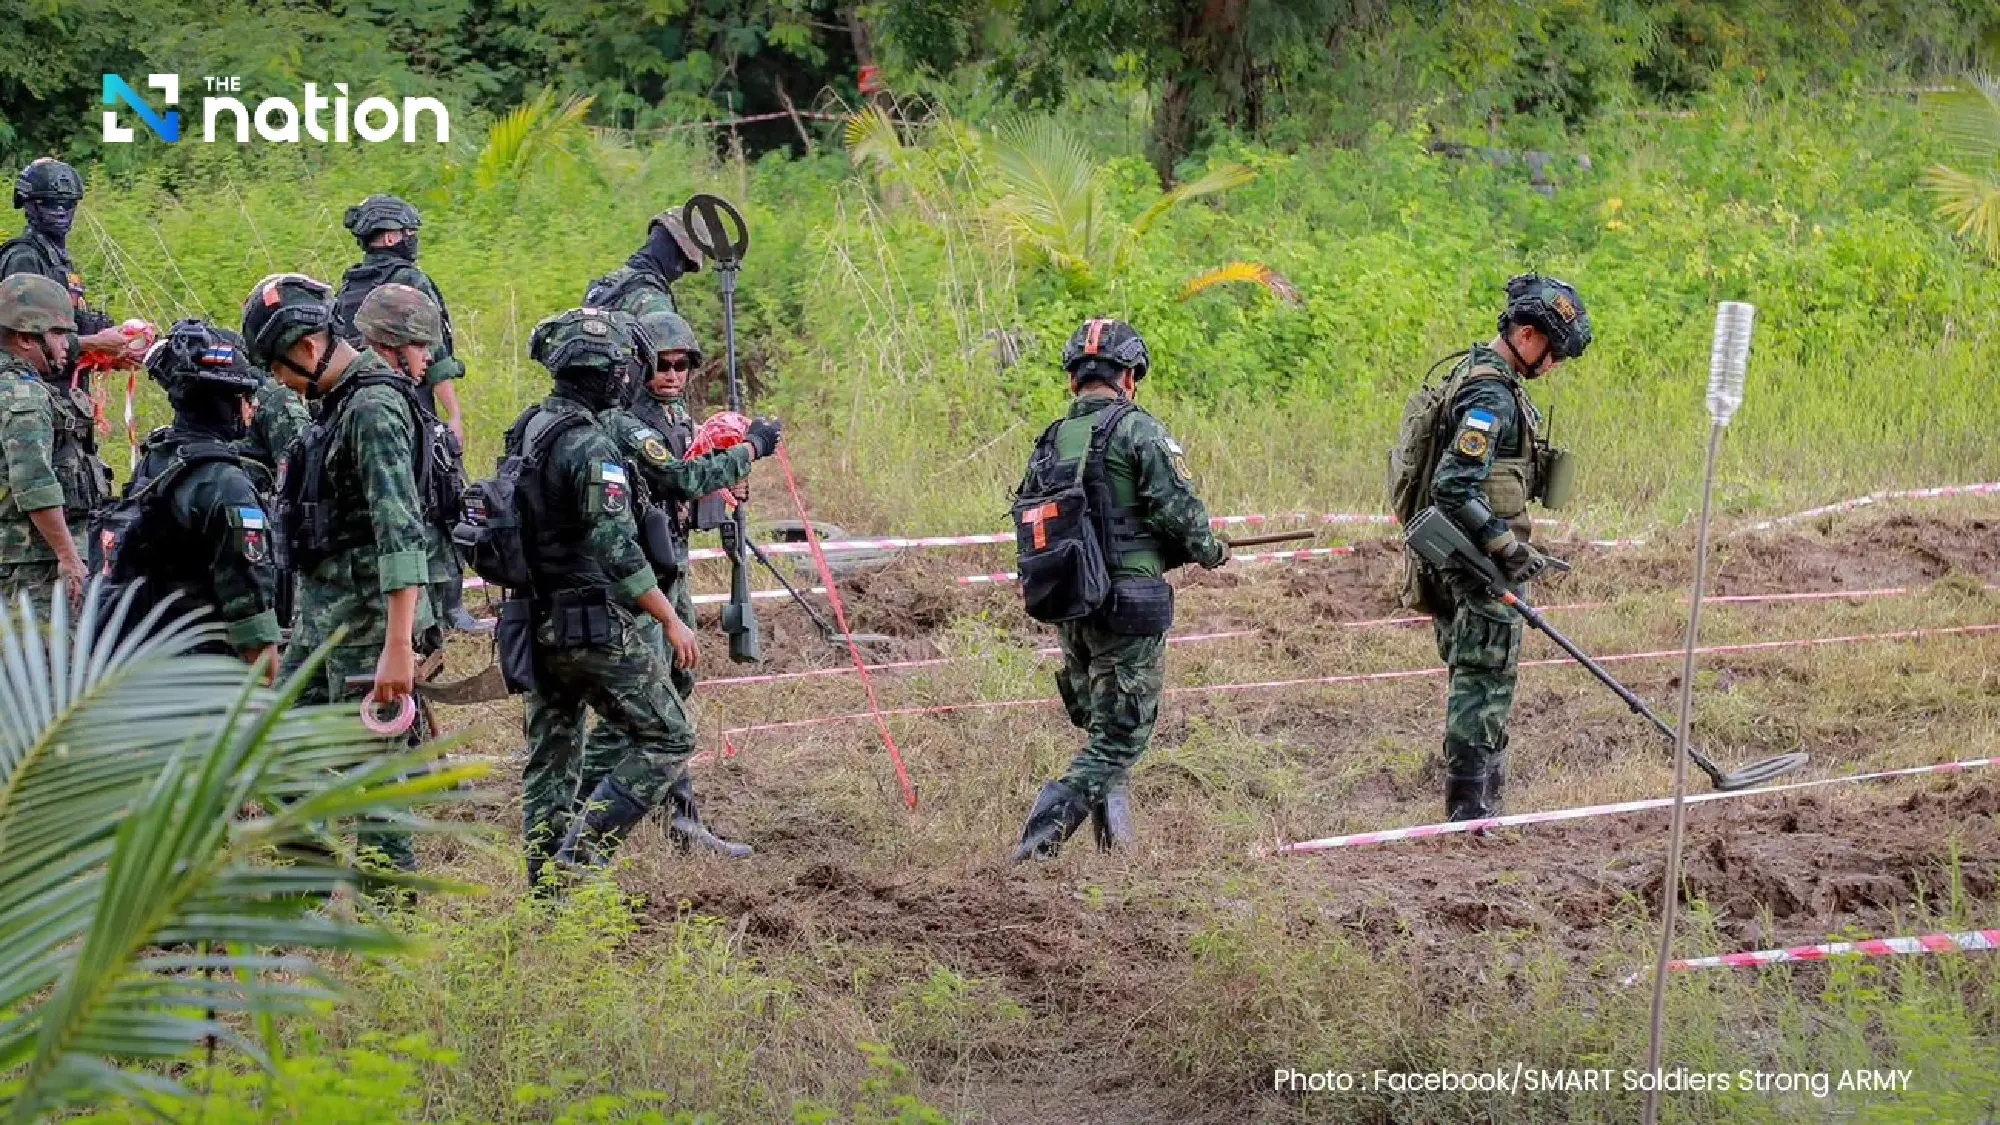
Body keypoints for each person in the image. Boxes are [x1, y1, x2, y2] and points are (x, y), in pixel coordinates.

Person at [513, 308, 769, 886]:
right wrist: (670, 621)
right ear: (610, 375)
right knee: (668, 734)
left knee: (553, 758)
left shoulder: (532, 425)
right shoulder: (592, 445)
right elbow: (616, 547)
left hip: (534, 617)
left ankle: (544, 889)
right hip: (593, 622)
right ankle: (577, 864)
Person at [242, 272, 445, 872]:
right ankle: (304, 889)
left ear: (306, 349)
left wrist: (398, 647)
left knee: (379, 786)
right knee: (277, 749)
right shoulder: (339, 403)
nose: (277, 381)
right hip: (323, 619)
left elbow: (400, 532)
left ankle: (391, 927)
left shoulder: (375, 409)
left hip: (369, 627)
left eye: (279, 366)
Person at [1012, 318, 1228, 863]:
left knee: (1101, 725)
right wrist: (1211, 549)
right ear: (1129, 377)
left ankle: (1116, 849)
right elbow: (1182, 517)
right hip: (1128, 606)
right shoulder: (1139, 431)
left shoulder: (1052, 439)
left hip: (1071, 602)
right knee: (1121, 735)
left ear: (1074, 382)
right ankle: (1038, 844)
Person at [590, 310, 773, 858]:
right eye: (660, 365)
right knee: (642, 703)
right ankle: (586, 815)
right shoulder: (631, 423)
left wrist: (723, 490)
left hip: (673, 570)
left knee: (679, 685)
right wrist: (750, 449)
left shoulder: (678, 416)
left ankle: (677, 819)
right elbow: (674, 476)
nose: (671, 375)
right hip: (637, 581)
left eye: (682, 365)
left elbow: (687, 492)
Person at [1415, 274, 1591, 822]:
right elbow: (1453, 483)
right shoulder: (1490, 395)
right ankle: (1470, 812)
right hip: (1476, 560)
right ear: (1530, 335)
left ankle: (1483, 800)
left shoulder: (1484, 378)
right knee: (1483, 679)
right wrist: (1502, 545)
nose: (1555, 364)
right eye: (1555, 352)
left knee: (1483, 674)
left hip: (1470, 557)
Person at [331, 195, 481, 633]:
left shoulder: (348, 287)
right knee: (439, 498)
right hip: (411, 409)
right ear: (395, 236)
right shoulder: (412, 282)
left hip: (358, 411)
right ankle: (447, 605)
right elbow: (436, 356)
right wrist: (453, 416)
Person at [102, 320, 280, 667]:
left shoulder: (158, 457)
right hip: (202, 665)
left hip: (146, 649)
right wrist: (263, 656)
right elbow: (246, 583)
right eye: (245, 397)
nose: (252, 407)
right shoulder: (225, 483)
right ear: (224, 403)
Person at [351, 283, 482, 637]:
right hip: (381, 595)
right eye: (420, 346)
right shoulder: (378, 405)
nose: (427, 357)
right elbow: (395, 517)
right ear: (390, 343)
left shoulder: (387, 393)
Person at [0, 274, 105, 610]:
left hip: (18, 561)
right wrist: (68, 556)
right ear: (25, 337)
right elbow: (34, 482)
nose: (65, 344)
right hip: (31, 566)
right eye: (58, 333)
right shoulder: (23, 395)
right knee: (49, 659)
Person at [0, 158, 146, 369]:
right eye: (48, 203)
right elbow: (27, 343)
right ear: (29, 205)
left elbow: (65, 331)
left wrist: (111, 355)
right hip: (31, 391)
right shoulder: (24, 258)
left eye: (68, 204)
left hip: (62, 388)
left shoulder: (58, 259)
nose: (60, 211)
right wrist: (97, 343)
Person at [582, 211, 704, 318]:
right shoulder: (653, 302)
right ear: (676, 253)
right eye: (685, 264)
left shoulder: (604, 285)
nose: (681, 272)